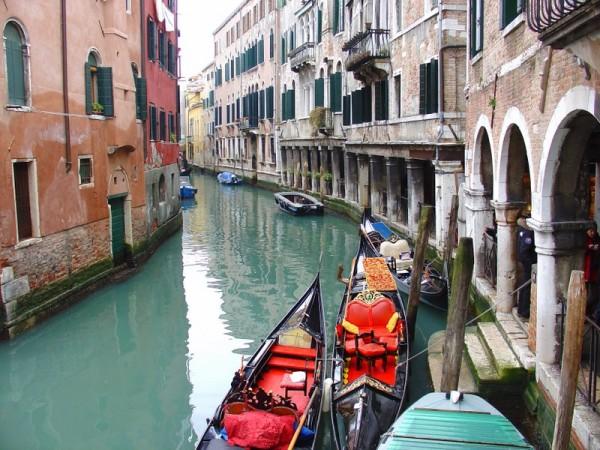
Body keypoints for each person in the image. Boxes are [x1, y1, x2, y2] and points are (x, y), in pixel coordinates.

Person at [517, 217, 536, 319]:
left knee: (525, 286)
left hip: (528, 263)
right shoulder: (528, 233)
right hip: (529, 264)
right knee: (527, 287)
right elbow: (524, 252)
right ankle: (524, 310)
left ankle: (522, 309)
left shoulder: (522, 230)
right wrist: (531, 265)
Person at [584, 223, 600, 318]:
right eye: (590, 231)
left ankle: (590, 313)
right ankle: (586, 313)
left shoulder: (597, 239)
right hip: (585, 270)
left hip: (594, 271)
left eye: (594, 231)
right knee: (585, 294)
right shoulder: (583, 239)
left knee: (594, 295)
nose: (592, 233)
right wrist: (589, 247)